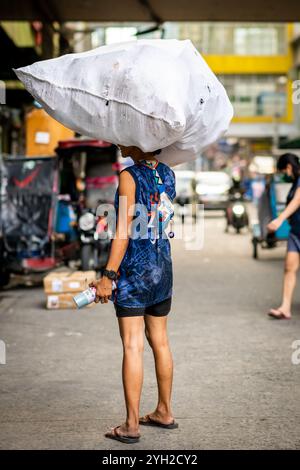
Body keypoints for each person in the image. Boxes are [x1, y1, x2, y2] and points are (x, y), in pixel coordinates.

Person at [90, 146, 178, 444]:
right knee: (161, 341)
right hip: (162, 267)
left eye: (125, 139)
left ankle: (130, 425)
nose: (120, 144)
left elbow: (123, 231)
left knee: (132, 345)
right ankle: (164, 411)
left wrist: (108, 275)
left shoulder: (129, 176)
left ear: (141, 141)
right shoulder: (168, 174)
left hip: (135, 272)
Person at [268, 153, 300, 320]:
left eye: (282, 171)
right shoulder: (295, 182)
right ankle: (285, 307)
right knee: (289, 268)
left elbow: (297, 201)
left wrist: (279, 220)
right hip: (296, 232)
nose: (283, 175)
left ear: (288, 167)